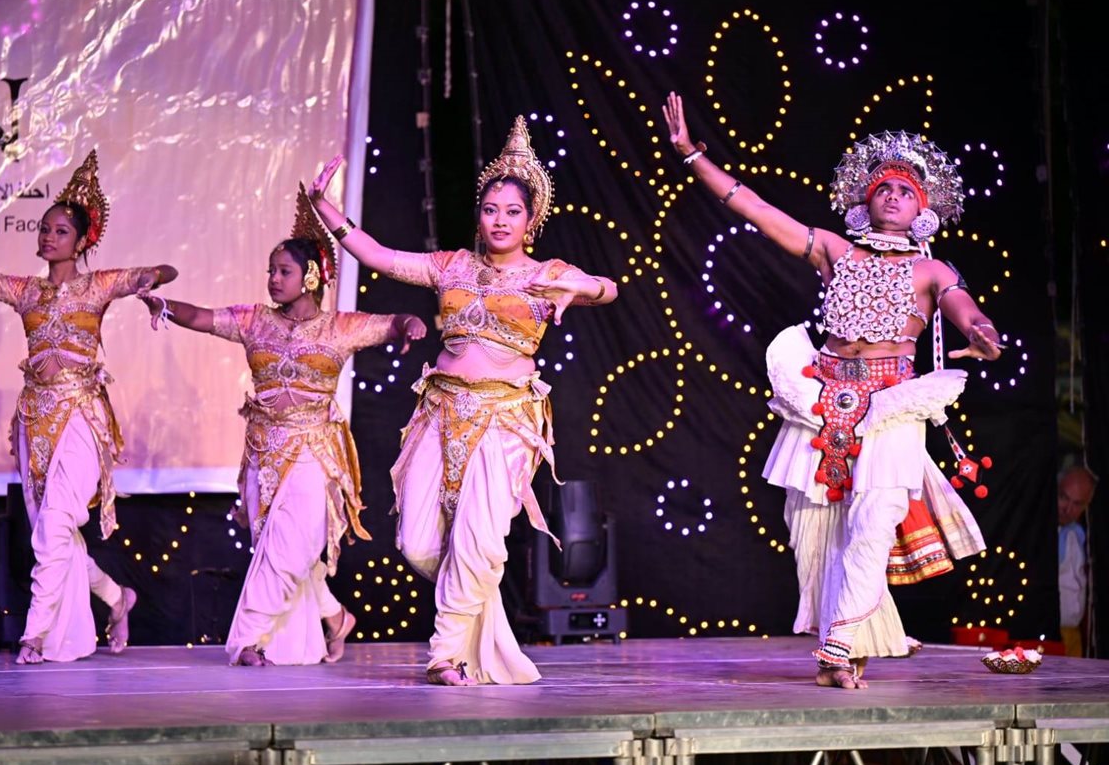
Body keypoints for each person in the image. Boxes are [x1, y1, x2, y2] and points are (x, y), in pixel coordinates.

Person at [663, 93, 1001, 688]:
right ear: (864, 200)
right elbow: (754, 208)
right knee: (813, 535)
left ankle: (840, 646)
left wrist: (983, 332)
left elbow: (966, 310)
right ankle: (839, 646)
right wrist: (692, 155)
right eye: (882, 188)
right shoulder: (833, 249)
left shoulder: (932, 270)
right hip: (820, 402)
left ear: (922, 209)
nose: (891, 196)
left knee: (873, 524)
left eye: (905, 192)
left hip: (891, 408)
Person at [306, 117, 618, 685]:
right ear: (479, 216)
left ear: (531, 220)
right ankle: (479, 626)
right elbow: (378, 256)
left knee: (479, 539)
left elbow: (609, 288)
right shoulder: (451, 266)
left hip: (506, 420)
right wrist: (326, 209)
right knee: (418, 542)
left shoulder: (548, 274)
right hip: (441, 412)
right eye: (491, 209)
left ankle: (444, 656)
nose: (499, 220)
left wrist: (583, 286)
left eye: (512, 212)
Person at [140, 184, 426, 666]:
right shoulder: (254, 321)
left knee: (291, 548)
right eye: (270, 271)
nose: (273, 279)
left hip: (315, 449)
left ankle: (248, 640)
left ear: (311, 277)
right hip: (262, 453)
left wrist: (409, 324)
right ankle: (334, 617)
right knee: (276, 548)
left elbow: (393, 321)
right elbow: (203, 317)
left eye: (283, 271)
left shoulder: (339, 327)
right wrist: (166, 307)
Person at [0, 151, 175, 664]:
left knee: (54, 525)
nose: (49, 237)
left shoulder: (98, 286)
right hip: (35, 421)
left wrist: (151, 278)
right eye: (45, 229)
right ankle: (117, 597)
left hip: (81, 416)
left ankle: (33, 635)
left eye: (60, 231)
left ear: (81, 241)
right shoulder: (26, 291)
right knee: (55, 534)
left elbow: (168, 268)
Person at [1057, 465, 1097, 657]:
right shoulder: (1041, 532)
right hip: (1050, 633)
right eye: (1064, 497)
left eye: (1077, 503)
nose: (1068, 509)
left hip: (1073, 635)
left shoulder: (1079, 534)